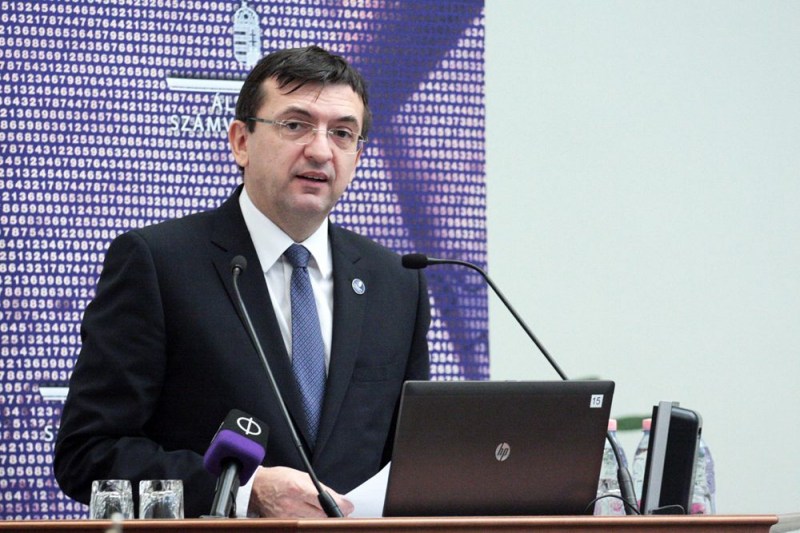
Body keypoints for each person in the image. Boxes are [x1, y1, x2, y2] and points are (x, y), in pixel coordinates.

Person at [54, 46, 431, 518]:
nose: (320, 150)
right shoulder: (159, 263)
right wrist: (242, 492)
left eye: (342, 133)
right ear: (240, 141)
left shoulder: (397, 282)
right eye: (295, 125)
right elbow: (87, 453)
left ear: (357, 154)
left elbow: (413, 457)